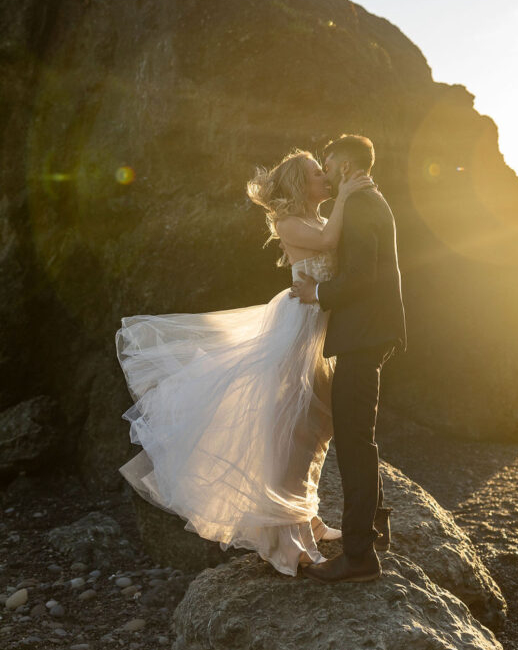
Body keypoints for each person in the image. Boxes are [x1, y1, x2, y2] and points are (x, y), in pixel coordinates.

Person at [115, 150, 372, 577]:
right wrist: (347, 193)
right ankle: (282, 538)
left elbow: (337, 246)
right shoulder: (289, 223)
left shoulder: (322, 219)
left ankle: (305, 515)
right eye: (316, 174)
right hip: (299, 329)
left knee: (317, 428)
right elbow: (329, 246)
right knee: (291, 429)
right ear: (297, 184)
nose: (325, 178)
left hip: (323, 332)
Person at [290, 134, 407, 583]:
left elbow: (362, 276)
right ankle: (374, 528)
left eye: (328, 160)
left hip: (363, 334)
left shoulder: (360, 202)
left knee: (356, 442)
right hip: (370, 332)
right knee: (360, 435)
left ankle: (359, 557)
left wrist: (316, 292)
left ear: (343, 162)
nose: (325, 166)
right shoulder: (369, 198)